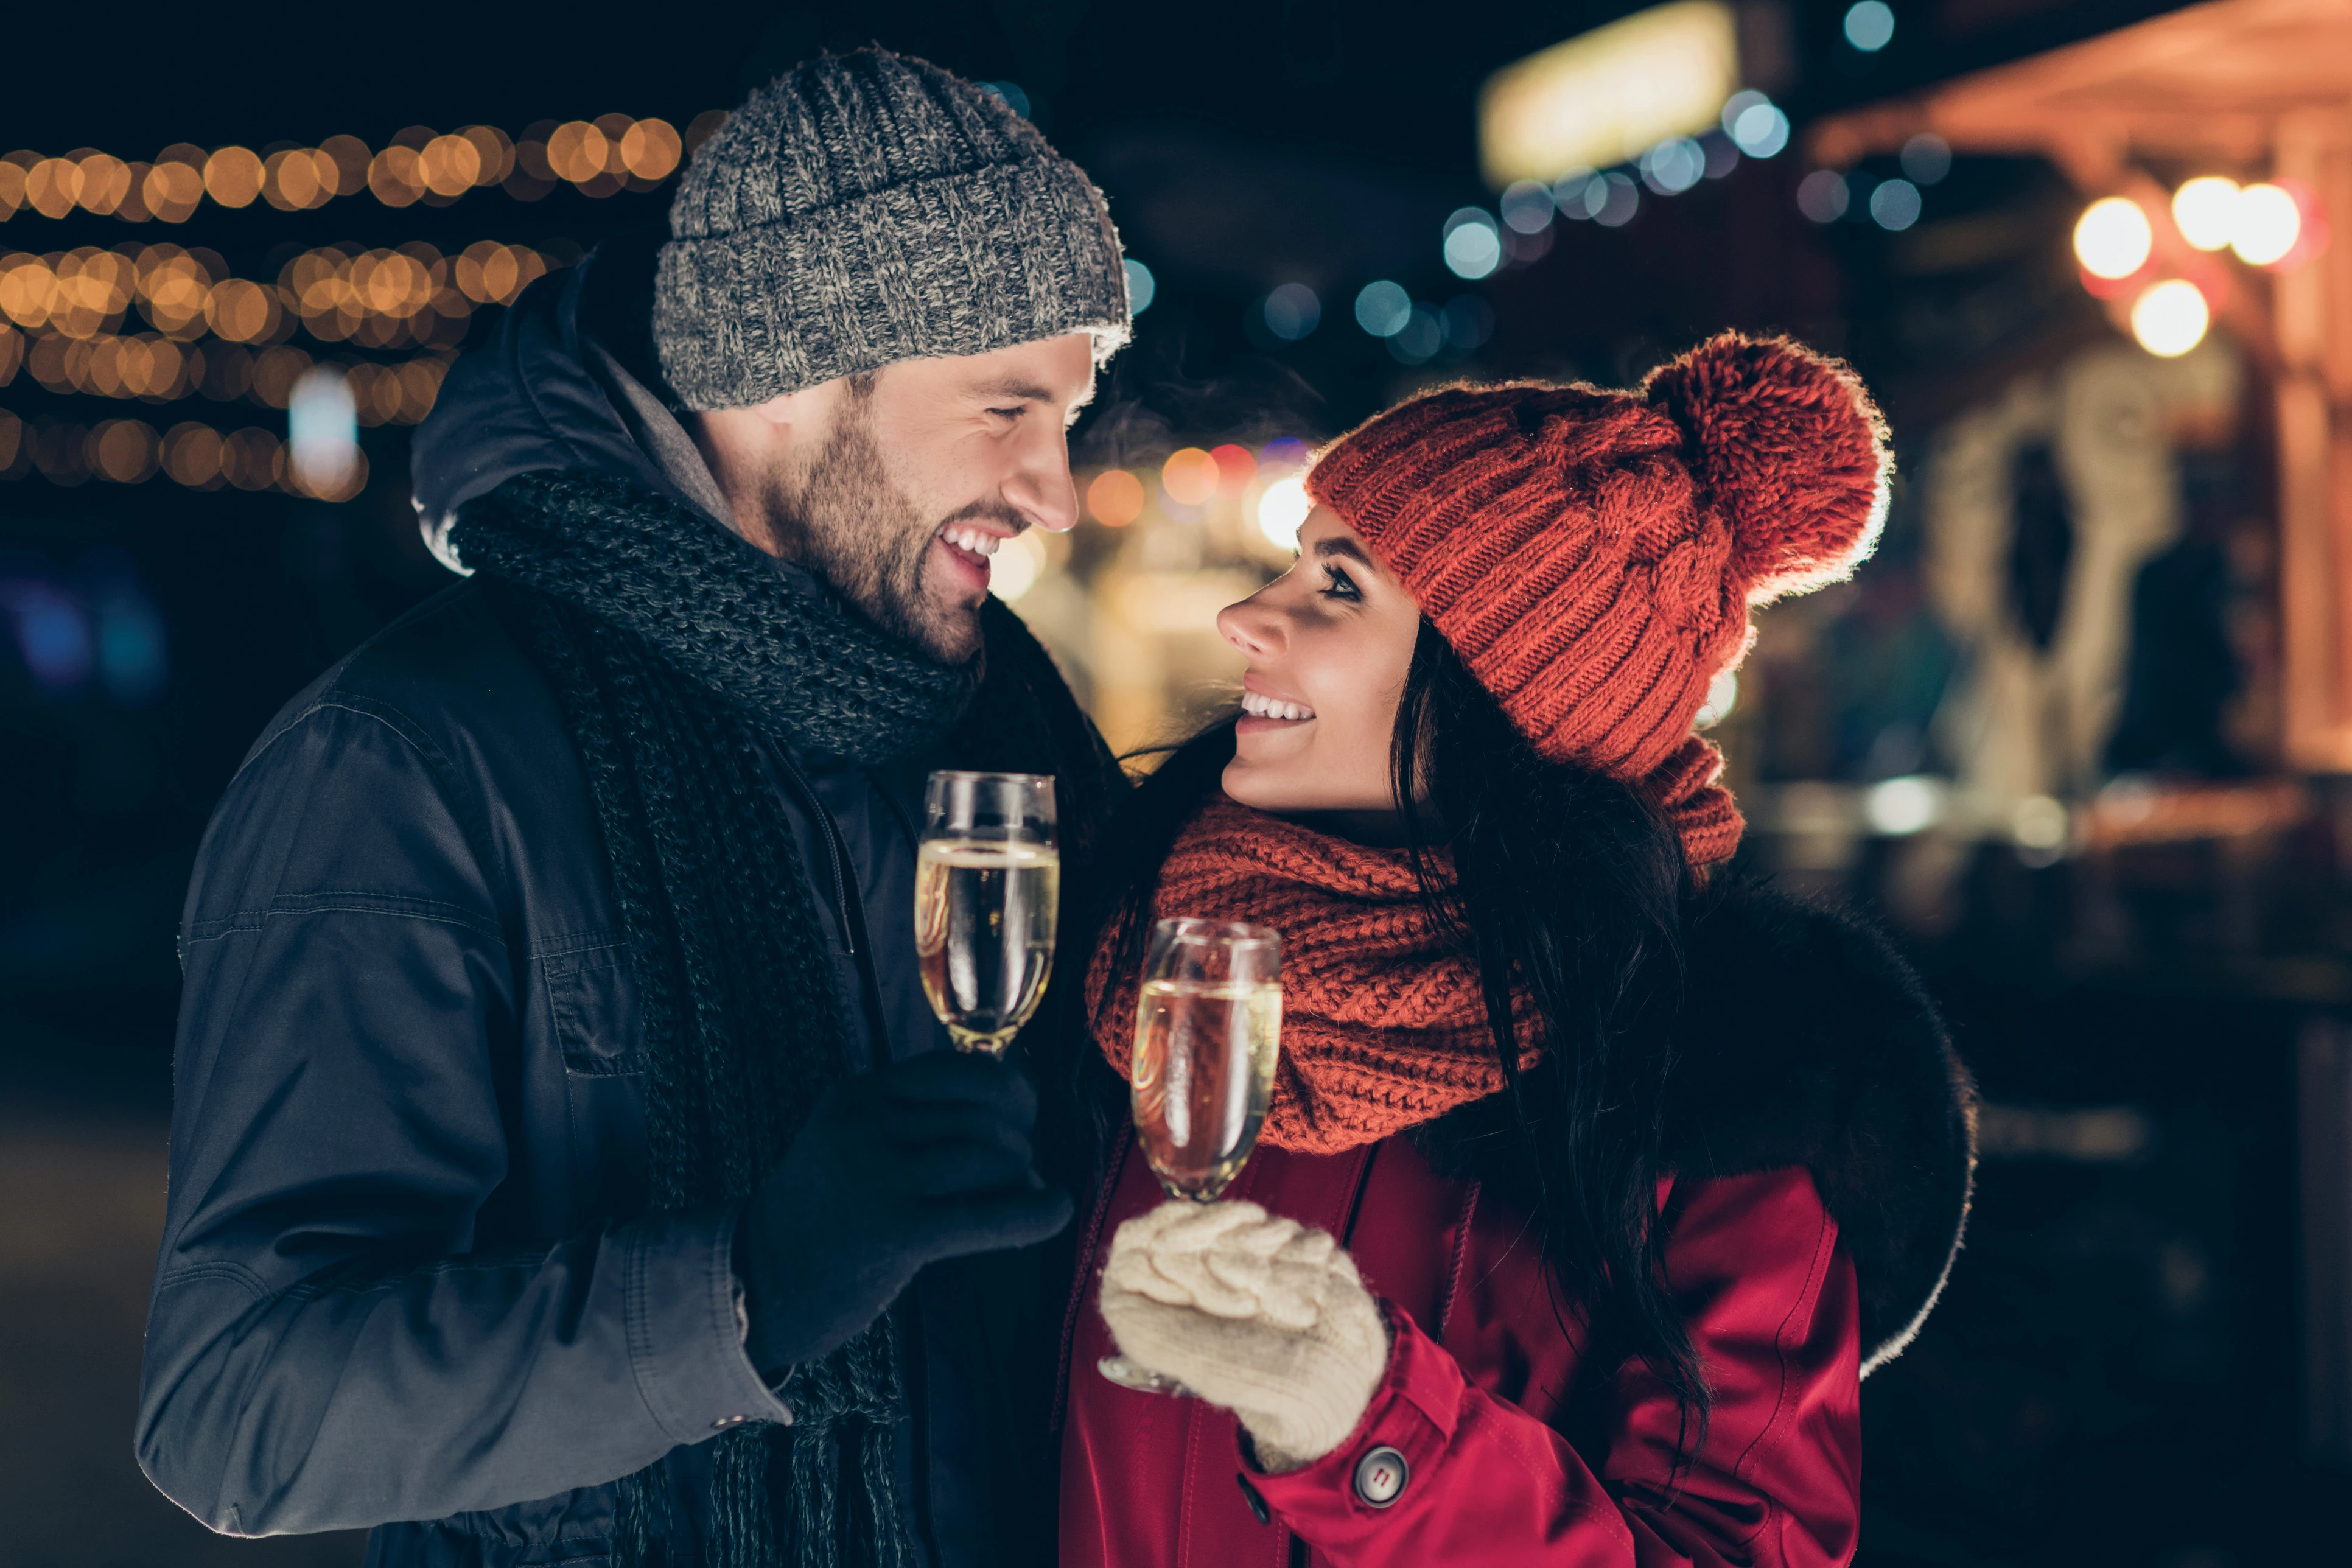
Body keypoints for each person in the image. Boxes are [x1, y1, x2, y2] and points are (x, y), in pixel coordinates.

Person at [137, 51, 1129, 1568]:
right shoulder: (410, 758)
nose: (1054, 491)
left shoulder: (994, 717)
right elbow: (238, 1405)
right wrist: (743, 1292)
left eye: (1067, 414)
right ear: (794, 378)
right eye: (1006, 407)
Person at [1056, 334, 1978, 1566]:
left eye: (1339, 589)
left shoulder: (1725, 1079)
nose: (1241, 618)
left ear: (1510, 688)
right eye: (1292, 566)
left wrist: (1370, 1437)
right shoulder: (1158, 945)